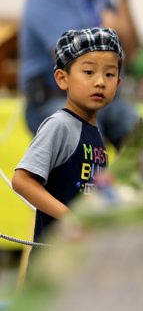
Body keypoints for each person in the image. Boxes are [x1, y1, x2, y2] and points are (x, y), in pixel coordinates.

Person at [12, 27, 123, 242]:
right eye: (89, 72)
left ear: (117, 84)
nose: (100, 82)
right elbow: (22, 180)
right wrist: (71, 218)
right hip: (54, 254)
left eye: (109, 74)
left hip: (81, 251)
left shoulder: (94, 130)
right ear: (63, 79)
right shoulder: (60, 125)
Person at [19, 0, 139, 150]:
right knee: (88, 145)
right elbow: (68, 58)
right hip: (55, 98)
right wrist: (109, 30)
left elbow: (131, 54)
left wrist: (124, 1)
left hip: (105, 98)